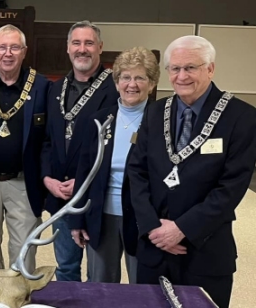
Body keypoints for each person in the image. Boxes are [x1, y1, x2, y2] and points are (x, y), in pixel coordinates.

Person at [127, 35, 256, 308]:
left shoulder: (242, 117)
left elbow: (232, 187)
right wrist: (152, 227)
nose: (181, 76)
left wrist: (182, 229)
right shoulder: (155, 111)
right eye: (175, 68)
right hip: (154, 249)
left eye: (191, 68)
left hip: (204, 250)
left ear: (210, 69)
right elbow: (136, 172)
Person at [68, 47, 160, 284]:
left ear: (151, 84)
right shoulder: (99, 119)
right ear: (117, 82)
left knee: (143, 286)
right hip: (102, 214)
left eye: (140, 77)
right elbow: (84, 171)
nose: (132, 84)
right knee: (101, 285)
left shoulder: (161, 121)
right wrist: (78, 219)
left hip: (144, 218)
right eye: (125, 77)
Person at [40, 20, 120, 281]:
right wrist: (47, 179)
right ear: (67, 48)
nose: (82, 49)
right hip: (61, 195)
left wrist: (85, 182)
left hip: (99, 196)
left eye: (88, 43)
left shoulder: (118, 89)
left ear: (100, 48)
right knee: (66, 268)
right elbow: (47, 141)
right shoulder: (55, 89)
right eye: (76, 43)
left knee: (101, 274)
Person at [0, 24, 50, 273]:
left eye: (14, 47)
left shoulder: (42, 86)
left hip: (24, 183)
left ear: (24, 51)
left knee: (24, 254)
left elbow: (49, 139)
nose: (8, 53)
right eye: (2, 47)